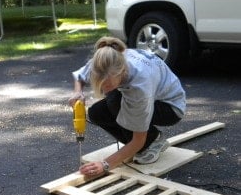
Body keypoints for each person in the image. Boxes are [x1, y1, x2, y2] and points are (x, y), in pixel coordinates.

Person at [68, 36, 186, 176]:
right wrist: (77, 93)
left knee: (115, 101)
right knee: (96, 113)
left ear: (122, 72)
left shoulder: (139, 86)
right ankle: (151, 137)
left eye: (108, 85)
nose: (104, 90)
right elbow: (80, 76)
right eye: (100, 85)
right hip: (143, 96)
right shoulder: (106, 59)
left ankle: (153, 141)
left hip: (170, 107)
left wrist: (105, 164)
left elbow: (138, 140)